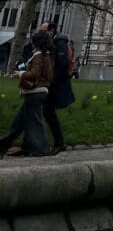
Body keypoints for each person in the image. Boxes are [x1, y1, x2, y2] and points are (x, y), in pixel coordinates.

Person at [0, 30, 54, 158]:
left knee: (34, 122)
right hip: (40, 92)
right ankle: (4, 145)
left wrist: (20, 73)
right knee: (20, 122)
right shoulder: (47, 56)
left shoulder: (38, 56)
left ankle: (41, 149)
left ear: (36, 43)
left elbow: (34, 73)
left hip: (34, 92)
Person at [43, 22, 75, 155]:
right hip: (51, 83)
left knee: (47, 111)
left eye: (44, 30)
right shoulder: (53, 42)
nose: (42, 33)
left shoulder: (60, 42)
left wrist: (49, 81)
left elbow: (60, 64)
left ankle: (59, 142)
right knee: (44, 111)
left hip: (55, 84)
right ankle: (32, 142)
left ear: (51, 31)